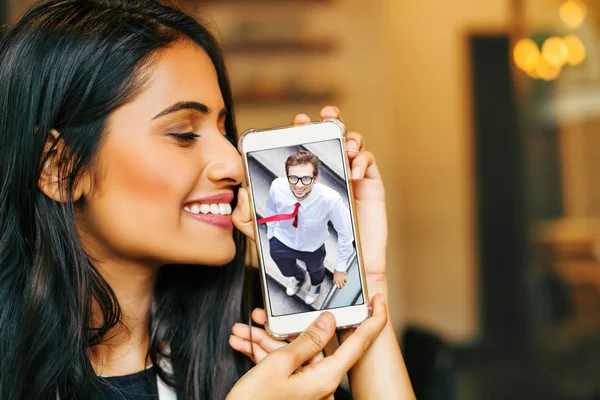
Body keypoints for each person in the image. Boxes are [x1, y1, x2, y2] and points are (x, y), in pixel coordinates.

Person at [0, 0, 415, 399]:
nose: (234, 164)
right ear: (58, 168)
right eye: (183, 133)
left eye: (223, 127)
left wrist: (364, 281)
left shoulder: (257, 329)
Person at [259, 149, 354, 305]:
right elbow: (271, 208)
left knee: (317, 272)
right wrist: (271, 233)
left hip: (312, 248)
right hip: (281, 241)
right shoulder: (277, 186)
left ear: (315, 178)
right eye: (293, 178)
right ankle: (298, 277)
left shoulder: (330, 199)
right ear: (287, 176)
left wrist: (341, 267)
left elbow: (345, 233)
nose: (299, 185)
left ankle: (315, 286)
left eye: (306, 179)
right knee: (286, 270)